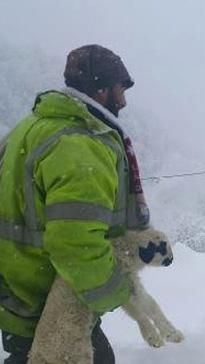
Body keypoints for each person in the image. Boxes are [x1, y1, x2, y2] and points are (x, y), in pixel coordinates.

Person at [0, 44, 150, 364]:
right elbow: (75, 245)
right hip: (47, 306)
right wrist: (117, 291)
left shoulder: (29, 129)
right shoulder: (79, 144)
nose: (124, 99)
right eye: (120, 88)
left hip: (16, 293)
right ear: (101, 89)